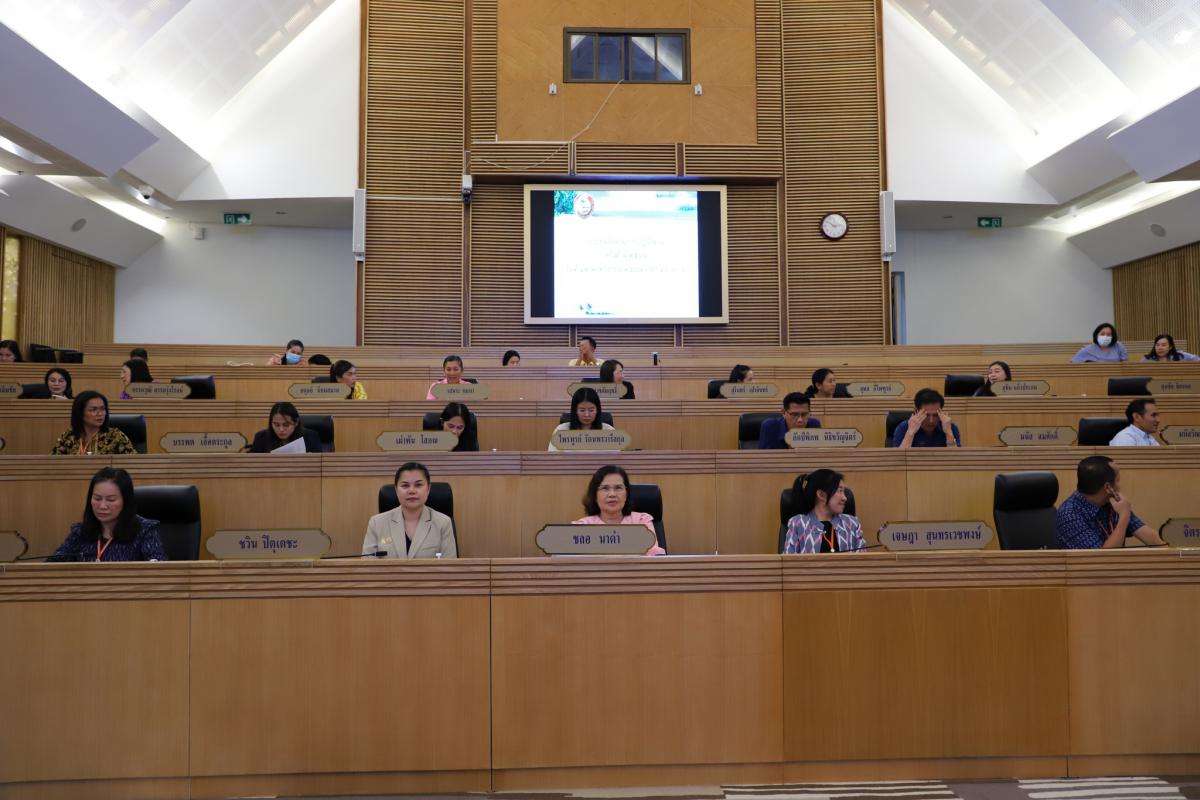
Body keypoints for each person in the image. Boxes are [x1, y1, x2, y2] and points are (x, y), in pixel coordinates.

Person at [47, 468, 167, 562]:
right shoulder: (80, 532)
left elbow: (158, 567)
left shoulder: (144, 530)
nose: (103, 506)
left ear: (125, 501)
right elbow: (52, 566)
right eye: (97, 498)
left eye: (110, 500)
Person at [1055, 455, 1166, 548]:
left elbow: (1151, 538)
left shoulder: (1113, 503)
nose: (1120, 485)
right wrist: (1124, 517)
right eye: (1118, 480)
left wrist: (1168, 548)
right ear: (1108, 487)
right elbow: (1104, 559)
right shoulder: (1070, 515)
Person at [362, 462, 457, 559]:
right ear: (396, 490)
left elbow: (450, 566)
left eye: (418, 485)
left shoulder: (443, 523)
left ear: (428, 489)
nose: (412, 491)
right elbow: (367, 565)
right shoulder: (377, 523)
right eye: (405, 485)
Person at [571, 464, 666, 556]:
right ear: (595, 495)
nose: (612, 494)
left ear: (626, 494)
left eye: (618, 488)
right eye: (605, 488)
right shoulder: (582, 527)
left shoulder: (641, 521)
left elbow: (654, 557)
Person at [782, 469, 866, 554]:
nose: (845, 498)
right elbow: (788, 560)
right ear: (821, 494)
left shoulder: (852, 523)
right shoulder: (798, 523)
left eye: (843, 492)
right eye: (839, 491)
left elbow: (863, 559)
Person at [50, 391, 137, 455]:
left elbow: (132, 462)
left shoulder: (115, 436)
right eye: (93, 410)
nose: (100, 413)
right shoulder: (68, 436)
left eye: (102, 409)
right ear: (80, 413)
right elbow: (54, 464)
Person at [548, 387, 614, 451]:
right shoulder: (561, 430)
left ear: (597, 410)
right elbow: (552, 456)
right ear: (575, 411)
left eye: (591, 410)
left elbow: (615, 457)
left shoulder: (609, 431)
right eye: (582, 410)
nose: (586, 414)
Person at [893, 388, 960, 448]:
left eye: (935, 415)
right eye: (926, 415)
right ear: (916, 412)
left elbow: (956, 457)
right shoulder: (903, 428)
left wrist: (948, 432)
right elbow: (898, 457)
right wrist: (910, 432)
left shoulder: (950, 427)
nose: (931, 421)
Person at [247, 401, 322, 453]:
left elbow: (320, 464)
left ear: (296, 423)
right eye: (276, 425)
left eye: (286, 425)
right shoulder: (261, 437)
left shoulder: (310, 437)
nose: (281, 429)